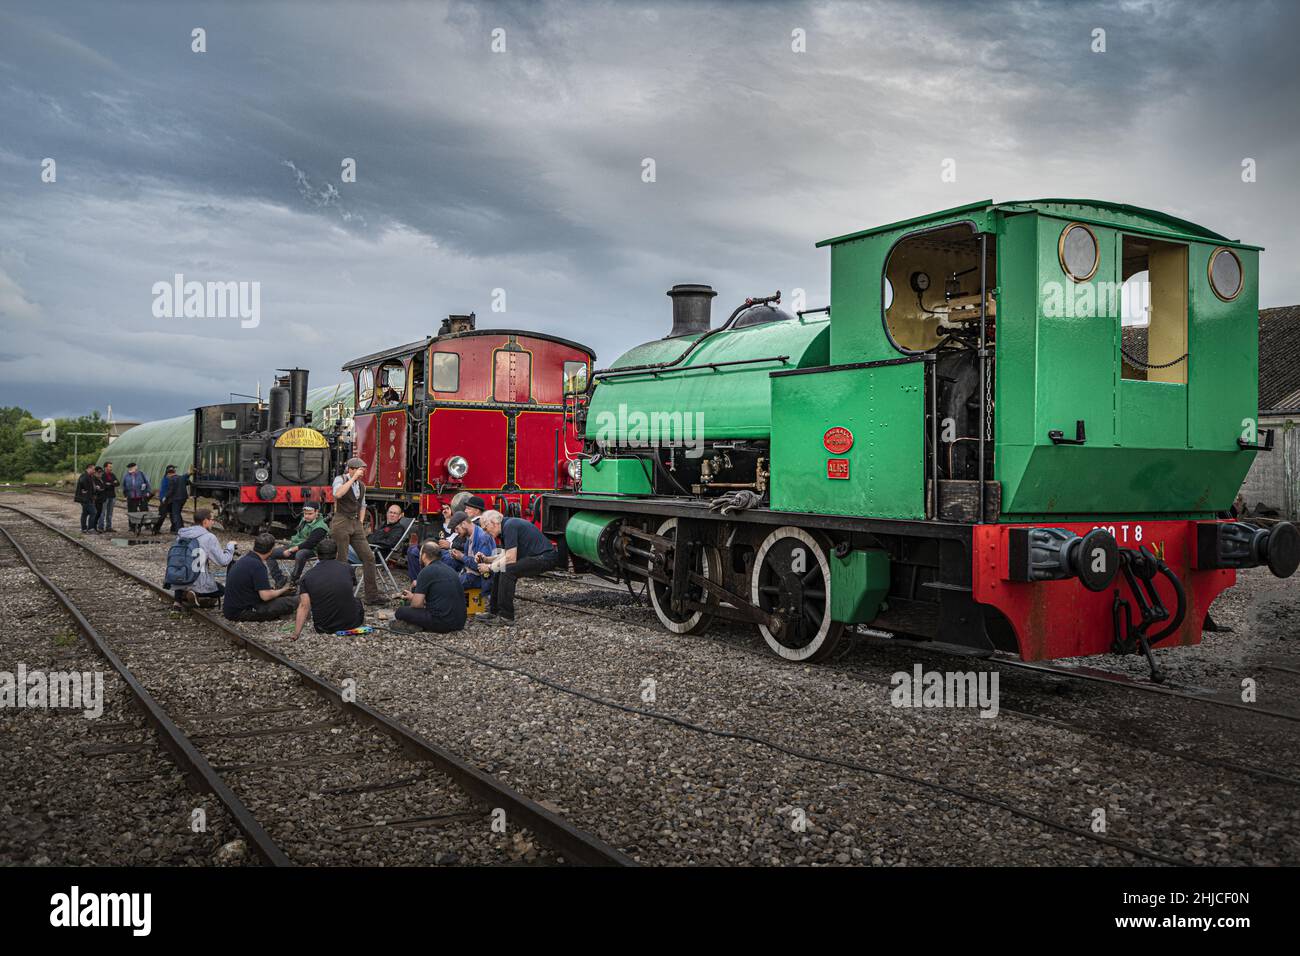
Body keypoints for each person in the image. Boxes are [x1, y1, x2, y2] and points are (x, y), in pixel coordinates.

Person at [474, 510, 560, 626]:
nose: (485, 532)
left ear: (493, 522)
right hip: (537, 556)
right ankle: (493, 611)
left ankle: (506, 616)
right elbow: (505, 554)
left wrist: (489, 568)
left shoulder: (510, 527)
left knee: (508, 571)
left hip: (545, 557)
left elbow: (510, 558)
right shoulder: (506, 527)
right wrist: (487, 559)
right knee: (501, 568)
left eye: (485, 528)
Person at [330, 457, 381, 605]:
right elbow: (338, 494)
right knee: (342, 559)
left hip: (355, 523)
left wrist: (360, 522)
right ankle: (341, 595)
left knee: (369, 557)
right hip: (341, 521)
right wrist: (352, 480)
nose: (362, 473)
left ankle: (372, 596)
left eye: (363, 470)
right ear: (351, 469)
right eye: (359, 470)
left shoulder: (362, 486)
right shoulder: (340, 479)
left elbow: (363, 505)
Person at [292, 538, 363, 639]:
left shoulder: (307, 576)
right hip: (352, 623)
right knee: (357, 601)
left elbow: (304, 606)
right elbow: (348, 590)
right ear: (337, 553)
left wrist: (296, 634)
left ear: (317, 555)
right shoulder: (347, 568)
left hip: (323, 627)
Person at [168, 508, 237, 609]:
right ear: (205, 521)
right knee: (222, 590)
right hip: (197, 581)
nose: (213, 522)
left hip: (178, 579)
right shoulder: (209, 537)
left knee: (186, 569)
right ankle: (195, 593)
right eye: (212, 520)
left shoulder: (182, 534)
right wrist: (230, 547)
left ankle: (180, 597)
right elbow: (223, 561)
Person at [392, 541, 467, 633]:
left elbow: (417, 605)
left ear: (424, 556)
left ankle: (418, 626)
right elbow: (438, 598)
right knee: (409, 605)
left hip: (442, 623)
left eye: (420, 554)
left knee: (401, 611)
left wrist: (413, 598)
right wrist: (413, 597)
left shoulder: (426, 571)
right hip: (459, 622)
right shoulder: (449, 569)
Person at [223, 532, 298, 621]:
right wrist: (282, 590)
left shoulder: (244, 559)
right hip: (243, 612)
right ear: (271, 550)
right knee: (292, 601)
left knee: (283, 596)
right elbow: (265, 596)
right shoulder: (258, 566)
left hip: (231, 609)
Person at [269, 503, 330, 585]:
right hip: (296, 545)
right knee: (270, 554)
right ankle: (279, 579)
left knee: (300, 554)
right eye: (305, 514)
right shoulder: (304, 520)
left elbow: (309, 544)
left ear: (317, 512)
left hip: (313, 550)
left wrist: (291, 550)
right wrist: (291, 547)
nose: (306, 516)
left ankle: (293, 580)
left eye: (310, 514)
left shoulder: (320, 527)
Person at [442, 510, 494, 589]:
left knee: (448, 586)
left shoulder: (483, 537)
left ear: (464, 524)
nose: (456, 532)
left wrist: (462, 557)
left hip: (480, 577)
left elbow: (481, 567)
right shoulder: (469, 536)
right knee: (445, 558)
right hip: (469, 570)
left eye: (457, 529)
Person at [159, 464, 188, 533]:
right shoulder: (174, 478)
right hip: (176, 498)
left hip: (173, 499)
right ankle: (177, 528)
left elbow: (170, 490)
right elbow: (168, 490)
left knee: (174, 514)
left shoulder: (172, 479)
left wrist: (165, 497)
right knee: (174, 514)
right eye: (174, 469)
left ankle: (177, 529)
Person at [122, 462, 152, 527]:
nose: (130, 469)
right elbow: (124, 485)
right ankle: (132, 526)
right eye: (129, 468)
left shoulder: (141, 474)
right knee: (131, 512)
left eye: (132, 468)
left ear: (135, 468)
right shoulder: (126, 476)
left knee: (144, 510)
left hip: (141, 496)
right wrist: (125, 494)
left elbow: (147, 483)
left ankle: (147, 525)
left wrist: (148, 492)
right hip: (131, 497)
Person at [74, 463, 100, 534]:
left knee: (85, 513)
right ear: (89, 468)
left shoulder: (89, 476)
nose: (94, 471)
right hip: (86, 498)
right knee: (94, 512)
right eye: (93, 469)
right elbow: (83, 482)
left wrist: (95, 488)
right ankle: (91, 529)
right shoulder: (85, 476)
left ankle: (84, 528)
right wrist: (85, 489)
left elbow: (90, 486)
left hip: (86, 498)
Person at [97, 461, 119, 533]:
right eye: (110, 466)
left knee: (110, 513)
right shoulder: (102, 475)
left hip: (112, 496)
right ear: (105, 467)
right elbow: (104, 485)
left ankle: (109, 527)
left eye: (111, 467)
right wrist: (113, 483)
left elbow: (118, 483)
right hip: (105, 496)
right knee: (102, 512)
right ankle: (101, 527)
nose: (111, 468)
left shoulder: (112, 474)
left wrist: (110, 484)